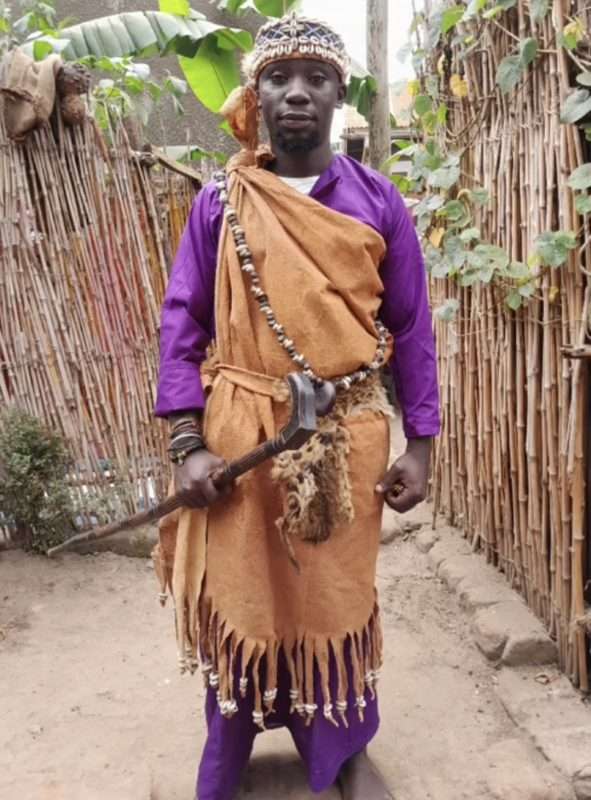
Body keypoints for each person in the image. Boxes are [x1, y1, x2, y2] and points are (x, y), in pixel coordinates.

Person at [153, 13, 440, 800]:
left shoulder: (379, 201)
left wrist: (419, 445)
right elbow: (182, 325)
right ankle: (230, 749)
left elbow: (411, 329)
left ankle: (341, 750)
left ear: (339, 97)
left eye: (316, 79)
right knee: (245, 597)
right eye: (280, 78)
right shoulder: (221, 202)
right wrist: (189, 446)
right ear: (255, 96)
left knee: (331, 596)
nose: (297, 95)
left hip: (346, 438)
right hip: (240, 431)